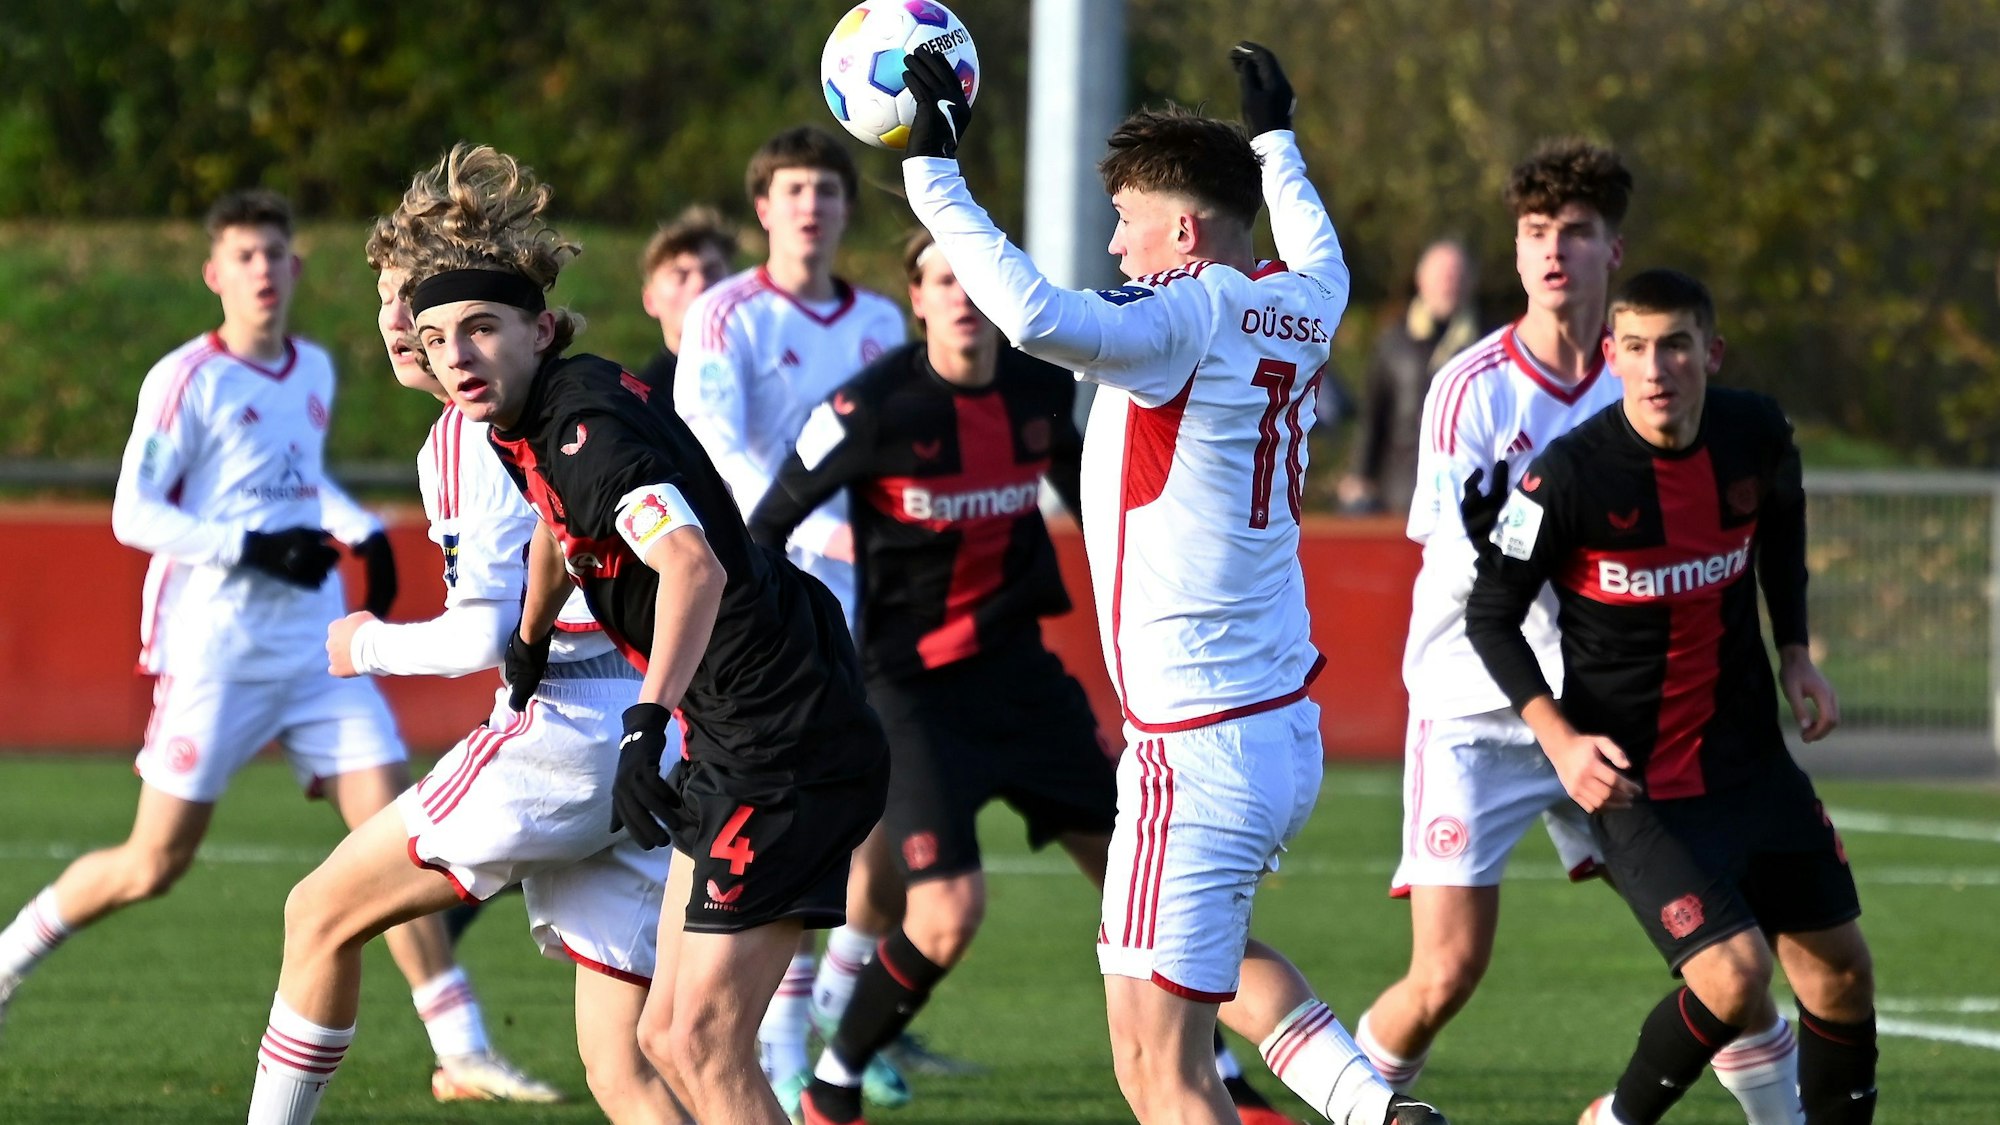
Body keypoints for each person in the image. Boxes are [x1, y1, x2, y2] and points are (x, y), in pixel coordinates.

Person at [899, 40, 1445, 1125]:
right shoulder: (1307, 297)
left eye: (1127, 220)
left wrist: (932, 172)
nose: (1113, 242)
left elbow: (1039, 319)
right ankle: (1365, 1107)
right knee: (1212, 977)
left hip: (1190, 745)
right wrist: (1276, 136)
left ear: (1185, 234)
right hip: (1273, 728)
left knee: (1156, 1071)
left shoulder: (1185, 314)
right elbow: (1316, 242)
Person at [0, 189, 541, 1101]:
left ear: (295, 268)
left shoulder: (314, 370)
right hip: (216, 650)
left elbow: (292, 483)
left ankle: (462, 1047)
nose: (262, 270)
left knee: (389, 837)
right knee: (153, 863)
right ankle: (8, 958)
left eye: (275, 253)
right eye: (243, 256)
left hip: (315, 650)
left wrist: (353, 524)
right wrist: (245, 545)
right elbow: (136, 512)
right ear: (215, 274)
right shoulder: (187, 378)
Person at [396, 142, 891, 1125]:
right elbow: (552, 516)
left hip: (781, 736)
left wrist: (640, 721)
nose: (456, 355)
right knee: (666, 1039)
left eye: (480, 330)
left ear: (537, 328)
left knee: (701, 1044)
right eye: (437, 335)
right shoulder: (534, 408)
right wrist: (531, 637)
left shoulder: (590, 435)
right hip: (741, 729)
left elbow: (690, 565)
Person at [242, 200, 687, 1123]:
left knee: (317, 914)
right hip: (652, 731)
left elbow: (483, 635)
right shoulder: (573, 396)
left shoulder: (470, 435)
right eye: (391, 297)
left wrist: (362, 642)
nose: (402, 322)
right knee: (623, 1070)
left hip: (562, 734)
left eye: (421, 299)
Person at [1465, 268, 1877, 1125]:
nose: (1659, 369)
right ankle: (1616, 1118)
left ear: (1710, 354)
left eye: (1678, 346)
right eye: (1640, 348)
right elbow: (1492, 615)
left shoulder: (1753, 433)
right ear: (1612, 357)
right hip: (1636, 786)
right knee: (1733, 977)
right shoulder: (1567, 477)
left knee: (1840, 971)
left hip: (1753, 766)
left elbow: (1783, 528)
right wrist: (1561, 741)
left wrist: (1796, 652)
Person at [1351, 141, 1627, 1091]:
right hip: (1478, 711)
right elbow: (1471, 568)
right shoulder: (1471, 387)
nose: (1555, 251)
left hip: (1606, 711)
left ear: (1613, 251)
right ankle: (1353, 1100)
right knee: (1445, 973)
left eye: (1578, 233)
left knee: (1725, 944)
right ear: (1515, 254)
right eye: (1537, 233)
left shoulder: (1644, 382)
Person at [671, 124, 911, 1103]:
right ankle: (780, 1058)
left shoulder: (884, 324)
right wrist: (815, 533)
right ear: (762, 209)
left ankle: (831, 1018)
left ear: (846, 208)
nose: (810, 204)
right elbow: (712, 449)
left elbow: (903, 446)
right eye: (792, 189)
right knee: (791, 832)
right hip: (766, 606)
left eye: (826, 189)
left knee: (877, 837)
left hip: (874, 602)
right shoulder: (724, 316)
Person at [1335, 239, 1479, 515]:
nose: (1450, 284)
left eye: (1457, 276)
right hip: (1402, 488)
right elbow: (1373, 414)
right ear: (1421, 280)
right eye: (1443, 276)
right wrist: (1360, 474)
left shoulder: (1486, 339)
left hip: (1467, 490)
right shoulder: (1393, 341)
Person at [637, 205, 738, 399]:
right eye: (680, 276)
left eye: (712, 272)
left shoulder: (771, 373)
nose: (699, 284)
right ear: (650, 300)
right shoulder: (643, 403)